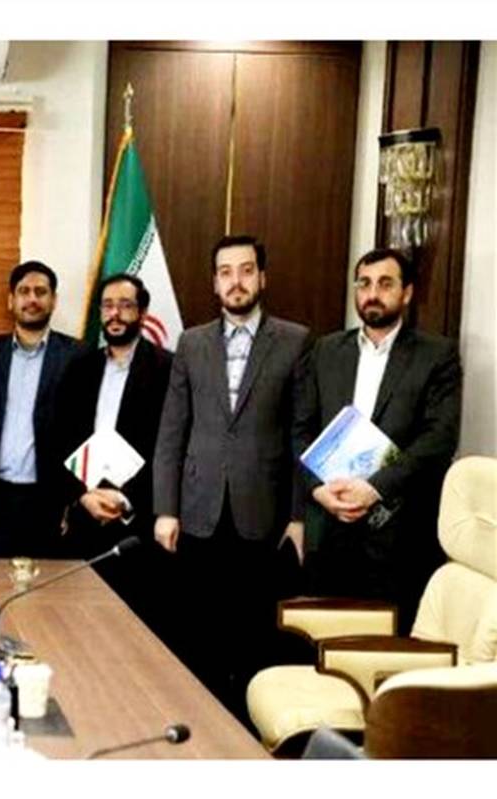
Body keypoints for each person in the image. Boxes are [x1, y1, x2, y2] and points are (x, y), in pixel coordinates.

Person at [152, 234, 309, 723]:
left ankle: (243, 733)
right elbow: (172, 430)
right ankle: (199, 727)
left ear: (262, 277)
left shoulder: (295, 341)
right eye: (225, 272)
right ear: (214, 282)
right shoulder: (192, 342)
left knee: (251, 636)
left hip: (262, 514)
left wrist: (299, 516)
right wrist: (165, 509)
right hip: (197, 510)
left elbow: (301, 435)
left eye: (245, 270)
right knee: (199, 634)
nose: (235, 281)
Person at [298, 248, 462, 632]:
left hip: (399, 540)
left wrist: (373, 489)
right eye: (364, 283)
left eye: (385, 284)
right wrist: (317, 489)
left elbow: (439, 439)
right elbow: (300, 429)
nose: (372, 293)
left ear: (407, 293)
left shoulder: (437, 355)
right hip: (332, 529)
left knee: (388, 650)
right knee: (327, 645)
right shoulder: (325, 350)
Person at [53, 273, 173, 635]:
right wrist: (81, 495)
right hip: (84, 518)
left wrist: (125, 498)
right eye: (107, 306)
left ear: (143, 312)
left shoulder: (167, 368)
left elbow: (171, 447)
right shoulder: (80, 367)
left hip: (137, 526)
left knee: (131, 633)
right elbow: (60, 439)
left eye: (125, 305)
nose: (115, 314)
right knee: (77, 628)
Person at [0, 261, 79, 558]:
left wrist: (72, 500)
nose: (32, 299)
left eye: (41, 292)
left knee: (46, 584)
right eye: (24, 291)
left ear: (53, 300)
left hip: (49, 500)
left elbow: (81, 431)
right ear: (11, 300)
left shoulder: (77, 356)